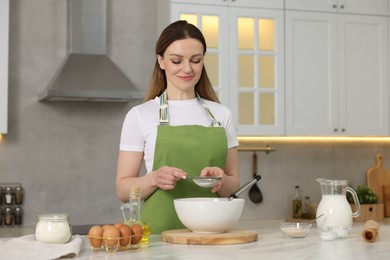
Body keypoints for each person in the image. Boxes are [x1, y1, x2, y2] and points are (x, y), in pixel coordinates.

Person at [116, 20, 240, 234]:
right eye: (176, 60)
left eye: (196, 60)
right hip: (158, 238)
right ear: (161, 61)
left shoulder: (221, 115)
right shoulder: (139, 115)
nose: (187, 69)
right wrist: (153, 178)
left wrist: (221, 180)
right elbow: (122, 189)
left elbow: (234, 185)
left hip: (211, 235)